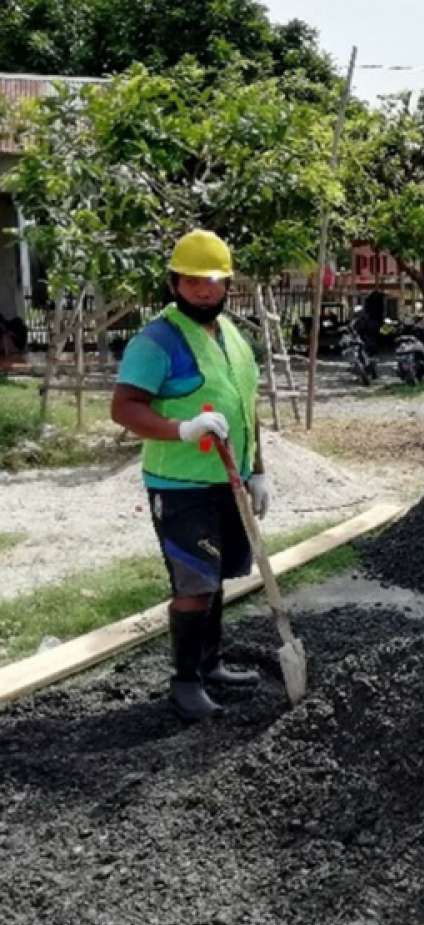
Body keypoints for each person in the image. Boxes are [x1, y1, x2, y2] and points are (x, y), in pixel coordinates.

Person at [111, 230, 268, 723]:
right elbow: (124, 408)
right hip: (180, 487)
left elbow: (247, 408)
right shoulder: (156, 340)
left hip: (229, 482)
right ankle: (184, 683)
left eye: (214, 281)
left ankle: (211, 665)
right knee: (195, 582)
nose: (204, 290)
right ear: (175, 282)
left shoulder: (235, 337)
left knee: (218, 576)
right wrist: (181, 429)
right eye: (194, 281)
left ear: (227, 284)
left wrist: (257, 472)